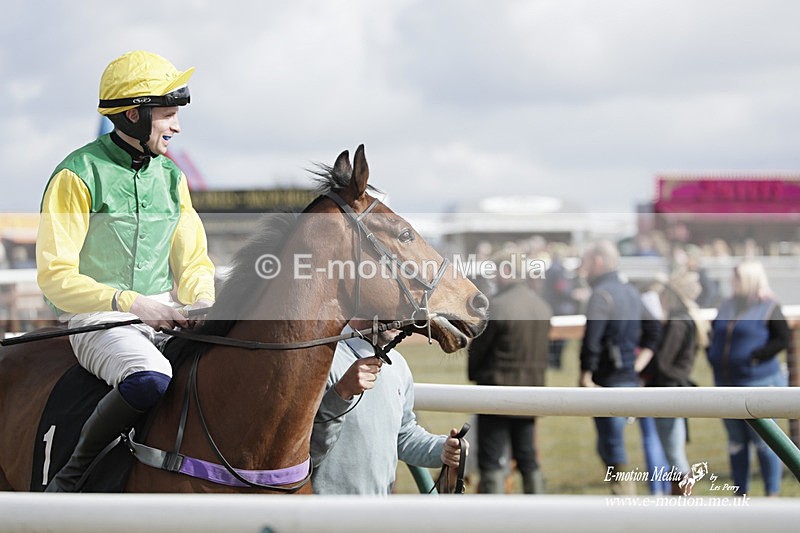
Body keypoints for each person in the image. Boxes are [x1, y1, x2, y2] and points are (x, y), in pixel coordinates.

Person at [36, 50, 215, 492]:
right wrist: (131, 303)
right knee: (151, 378)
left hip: (164, 311)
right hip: (96, 318)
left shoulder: (172, 178)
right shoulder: (76, 175)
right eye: (167, 115)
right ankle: (72, 475)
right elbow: (55, 278)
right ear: (134, 115)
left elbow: (192, 260)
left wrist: (202, 300)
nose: (176, 126)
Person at [310, 320, 466, 495]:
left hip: (381, 514)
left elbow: (404, 434)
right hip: (324, 516)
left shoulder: (399, 365)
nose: (401, 316)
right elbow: (307, 452)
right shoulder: (322, 358)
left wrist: (442, 450)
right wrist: (342, 392)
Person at [467, 250, 552, 494]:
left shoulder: (497, 307)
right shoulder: (541, 306)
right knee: (527, 456)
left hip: (496, 391)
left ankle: (494, 517)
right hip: (531, 392)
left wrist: (475, 373)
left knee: (491, 459)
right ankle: (536, 511)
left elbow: (478, 351)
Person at [578, 240, 658, 495]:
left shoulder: (601, 295)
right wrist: (637, 364)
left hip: (605, 381)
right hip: (628, 378)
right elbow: (655, 331)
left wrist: (585, 375)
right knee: (613, 444)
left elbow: (592, 341)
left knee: (611, 446)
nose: (583, 268)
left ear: (599, 262)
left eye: (586, 262)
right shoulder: (631, 291)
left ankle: (625, 499)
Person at [707, 260, 789, 496]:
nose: (733, 282)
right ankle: (739, 494)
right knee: (736, 441)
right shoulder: (727, 304)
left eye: (738, 277)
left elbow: (781, 339)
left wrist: (755, 356)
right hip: (725, 384)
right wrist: (712, 354)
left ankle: (771, 494)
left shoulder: (768, 306)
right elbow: (716, 332)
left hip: (758, 383)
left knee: (765, 442)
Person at [638, 270, 707, 494]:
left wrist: (641, 368)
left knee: (674, 455)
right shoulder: (685, 319)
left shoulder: (678, 322)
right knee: (673, 452)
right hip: (673, 389)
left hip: (668, 391)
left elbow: (663, 362)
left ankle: (682, 504)